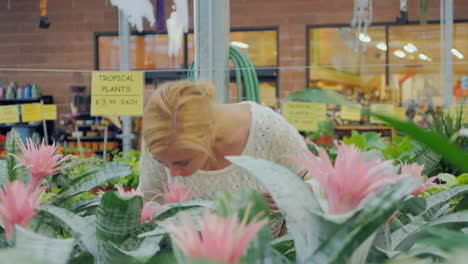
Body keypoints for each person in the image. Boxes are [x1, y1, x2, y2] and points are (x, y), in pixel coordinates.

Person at [138, 80, 309, 237]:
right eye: (162, 162)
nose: (173, 174)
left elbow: (315, 188)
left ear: (209, 131)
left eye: (183, 162)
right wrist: (232, 208)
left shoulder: (268, 131)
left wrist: (288, 196)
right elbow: (149, 212)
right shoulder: (161, 138)